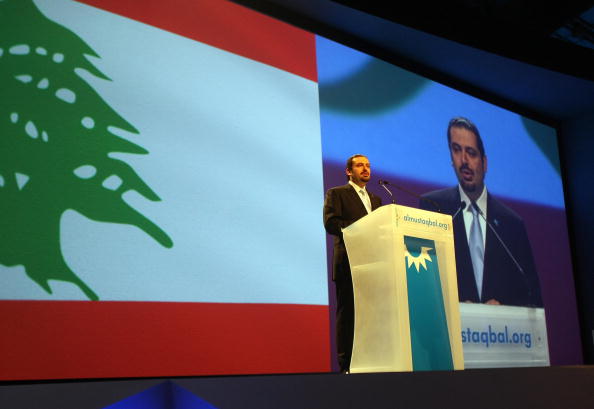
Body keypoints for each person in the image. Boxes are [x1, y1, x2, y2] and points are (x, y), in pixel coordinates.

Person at [420, 117, 543, 307]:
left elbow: (532, 294)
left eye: (471, 152)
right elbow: (422, 280)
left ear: (484, 163)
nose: (464, 161)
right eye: (456, 150)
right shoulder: (434, 207)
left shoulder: (511, 223)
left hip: (503, 333)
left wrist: (504, 307)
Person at [323, 154, 382, 373]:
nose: (365, 169)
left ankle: (370, 362)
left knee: (371, 316)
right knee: (348, 315)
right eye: (359, 165)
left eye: (368, 165)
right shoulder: (337, 194)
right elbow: (331, 223)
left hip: (373, 264)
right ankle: (346, 365)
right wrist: (363, 227)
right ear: (349, 171)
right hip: (348, 263)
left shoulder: (376, 200)